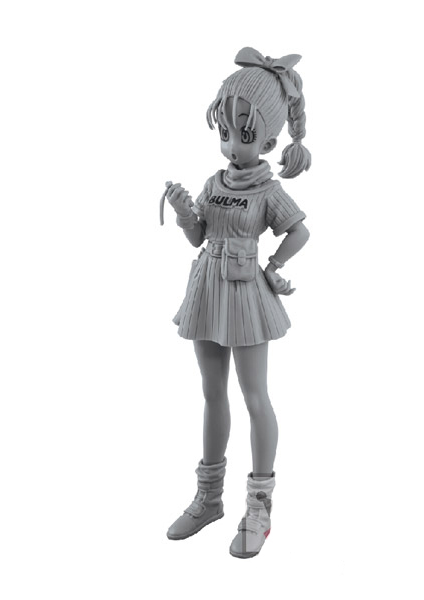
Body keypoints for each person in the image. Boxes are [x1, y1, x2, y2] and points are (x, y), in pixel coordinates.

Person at [162, 47, 311, 558]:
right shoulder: (215, 182)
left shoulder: (267, 189)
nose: (231, 144)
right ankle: (209, 498)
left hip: (246, 294)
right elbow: (198, 233)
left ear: (268, 141)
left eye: (244, 134)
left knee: (255, 396)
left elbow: (299, 231)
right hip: (208, 287)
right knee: (212, 393)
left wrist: (274, 267)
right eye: (224, 131)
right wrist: (185, 213)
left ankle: (259, 507)